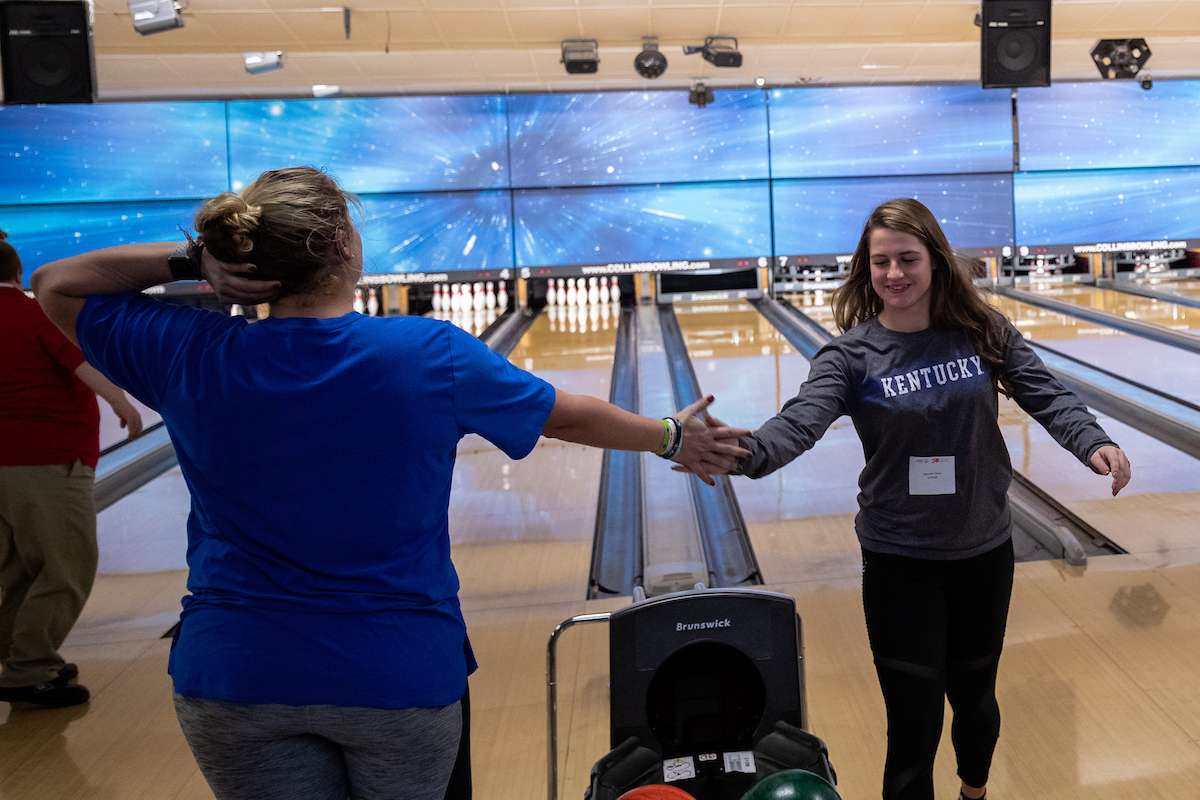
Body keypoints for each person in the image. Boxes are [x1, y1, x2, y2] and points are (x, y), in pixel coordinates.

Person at [31, 166, 749, 800]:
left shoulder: (187, 351)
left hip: (235, 671)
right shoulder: (429, 354)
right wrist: (671, 437)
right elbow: (569, 418)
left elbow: (56, 283)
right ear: (344, 245)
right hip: (394, 674)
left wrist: (199, 262)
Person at [730, 199, 1131, 800]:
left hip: (983, 552)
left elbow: (1046, 392)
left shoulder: (981, 331)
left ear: (936, 262)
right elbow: (799, 422)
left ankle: (975, 790)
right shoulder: (851, 356)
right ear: (866, 269)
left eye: (907, 259)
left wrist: (1092, 440)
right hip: (899, 562)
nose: (894, 274)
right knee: (913, 725)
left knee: (975, 703)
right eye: (881, 261)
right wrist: (746, 453)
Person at [0, 230, 143, 709]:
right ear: (19, 275)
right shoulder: (33, 311)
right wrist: (123, 403)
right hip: (46, 457)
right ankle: (29, 671)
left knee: (20, 568)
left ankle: (19, 656)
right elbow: (83, 364)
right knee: (66, 568)